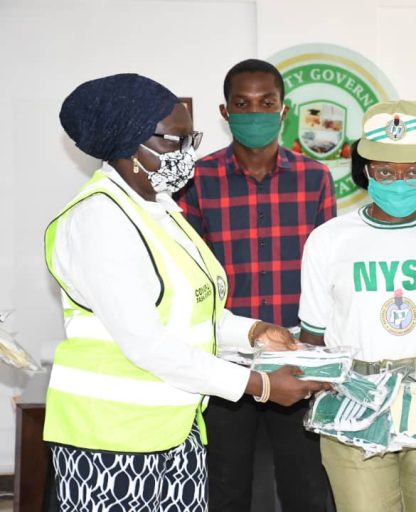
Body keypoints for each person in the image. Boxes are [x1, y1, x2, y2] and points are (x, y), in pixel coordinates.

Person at [44, 73, 329, 512]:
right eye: (175, 141)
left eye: (190, 140)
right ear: (129, 143)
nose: (187, 154)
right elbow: (147, 343)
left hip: (175, 428)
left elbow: (191, 310)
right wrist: (260, 385)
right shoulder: (99, 219)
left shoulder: (159, 208)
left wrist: (253, 331)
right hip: (112, 438)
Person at [298, 100, 416, 512]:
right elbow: (313, 342)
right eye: (386, 171)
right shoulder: (328, 240)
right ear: (366, 171)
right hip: (355, 400)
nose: (401, 181)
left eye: (414, 171)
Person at [175, 59, 336, 511]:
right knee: (225, 489)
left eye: (266, 103)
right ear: (224, 112)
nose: (255, 113)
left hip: (297, 359)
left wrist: (321, 358)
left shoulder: (314, 178)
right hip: (225, 362)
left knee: (306, 488)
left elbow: (328, 275)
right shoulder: (196, 179)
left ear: (283, 110)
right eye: (242, 104)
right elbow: (189, 275)